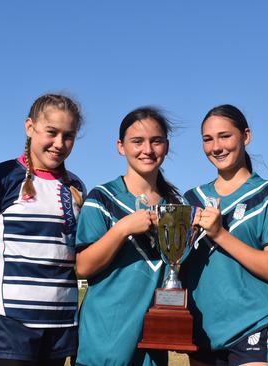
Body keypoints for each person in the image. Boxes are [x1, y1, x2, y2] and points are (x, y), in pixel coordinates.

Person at [0, 94, 85, 366]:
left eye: (68, 136)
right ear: (30, 127)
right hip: (9, 321)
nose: (59, 144)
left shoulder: (77, 186)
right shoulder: (2, 177)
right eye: (52, 132)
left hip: (59, 321)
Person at [183, 104, 268, 366]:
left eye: (225, 136)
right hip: (203, 328)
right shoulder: (191, 199)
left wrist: (219, 234)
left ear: (246, 136)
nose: (216, 147)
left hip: (254, 323)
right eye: (208, 139)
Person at [74, 107, 181, 366]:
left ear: (166, 146)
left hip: (153, 341)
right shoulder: (101, 199)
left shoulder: (176, 207)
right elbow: (83, 267)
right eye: (137, 141)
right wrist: (122, 229)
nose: (147, 149)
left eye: (156, 141)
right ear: (120, 146)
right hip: (104, 339)